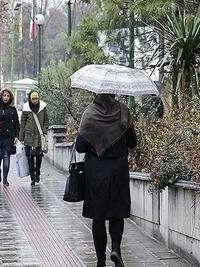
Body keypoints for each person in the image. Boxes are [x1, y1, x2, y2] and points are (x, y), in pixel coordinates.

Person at [75, 94, 137, 267]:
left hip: (96, 172)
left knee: (98, 216)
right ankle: (116, 249)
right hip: (118, 170)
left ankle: (101, 261)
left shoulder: (90, 114)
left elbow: (80, 147)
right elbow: (132, 143)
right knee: (117, 213)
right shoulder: (123, 110)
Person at [0, 88, 20, 186]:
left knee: (6, 159)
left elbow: (17, 124)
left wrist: (16, 136)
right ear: (1, 96)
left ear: (10, 97)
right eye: (4, 95)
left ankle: (5, 179)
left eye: (8, 96)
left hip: (9, 137)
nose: (6, 97)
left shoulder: (12, 109)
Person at [19, 90, 49, 186]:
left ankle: (38, 173)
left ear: (38, 98)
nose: (35, 100)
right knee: (30, 158)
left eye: (36, 98)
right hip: (28, 137)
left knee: (39, 156)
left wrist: (44, 132)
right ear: (30, 99)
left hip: (39, 136)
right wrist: (21, 137)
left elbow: (46, 121)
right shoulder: (26, 107)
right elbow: (22, 123)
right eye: (33, 99)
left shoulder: (43, 107)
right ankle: (32, 178)